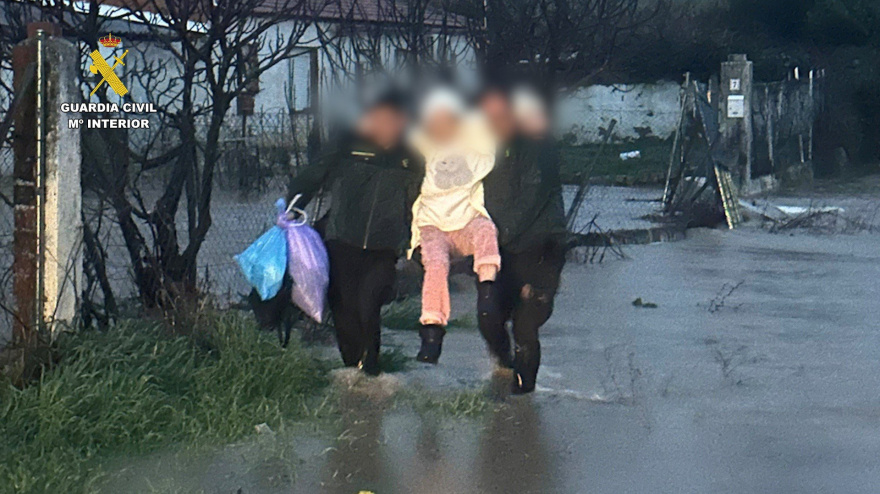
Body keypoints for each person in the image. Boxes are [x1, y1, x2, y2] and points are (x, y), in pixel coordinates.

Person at [286, 91, 424, 375]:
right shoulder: (347, 145)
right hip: (342, 242)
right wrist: (292, 206)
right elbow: (315, 175)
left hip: (383, 248)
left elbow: (420, 204)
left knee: (369, 304)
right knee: (344, 311)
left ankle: (371, 368)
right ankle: (353, 371)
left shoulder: (411, 158)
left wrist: (413, 244)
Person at [478, 86, 568, 394]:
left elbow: (531, 197)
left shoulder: (537, 149)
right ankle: (504, 369)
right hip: (501, 252)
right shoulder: (482, 149)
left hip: (542, 249)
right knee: (489, 316)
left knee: (526, 326)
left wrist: (493, 234)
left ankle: (524, 398)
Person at [408, 88, 500, 364]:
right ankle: (432, 331)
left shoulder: (476, 149)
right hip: (432, 225)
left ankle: (486, 291)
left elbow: (483, 129)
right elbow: (410, 133)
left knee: (486, 229)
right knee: (435, 265)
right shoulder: (423, 147)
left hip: (465, 223)